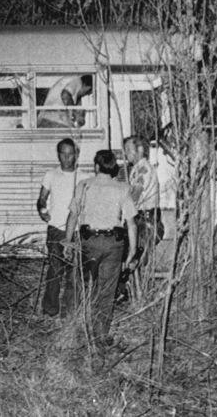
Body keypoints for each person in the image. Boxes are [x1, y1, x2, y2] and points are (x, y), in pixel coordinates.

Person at [64, 150, 138, 350]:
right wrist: (131, 252)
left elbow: (72, 216)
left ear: (96, 166)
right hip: (113, 244)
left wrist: (68, 242)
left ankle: (76, 330)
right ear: (113, 167)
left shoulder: (84, 185)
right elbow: (131, 224)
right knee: (106, 291)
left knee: (83, 285)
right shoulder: (123, 188)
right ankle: (100, 336)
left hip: (88, 242)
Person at [36, 138, 89, 317]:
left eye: (70, 154)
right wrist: (42, 210)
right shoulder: (51, 175)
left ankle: (70, 311)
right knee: (55, 269)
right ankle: (50, 309)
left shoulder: (83, 177)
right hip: (55, 229)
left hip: (76, 231)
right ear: (58, 155)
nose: (67, 158)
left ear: (76, 155)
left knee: (74, 272)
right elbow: (42, 198)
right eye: (63, 154)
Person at [115, 135, 163, 303]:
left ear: (140, 150)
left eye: (128, 150)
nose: (125, 154)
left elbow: (135, 194)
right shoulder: (135, 168)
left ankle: (136, 297)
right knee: (129, 258)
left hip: (146, 220)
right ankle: (132, 296)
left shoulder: (144, 169)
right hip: (139, 218)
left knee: (133, 259)